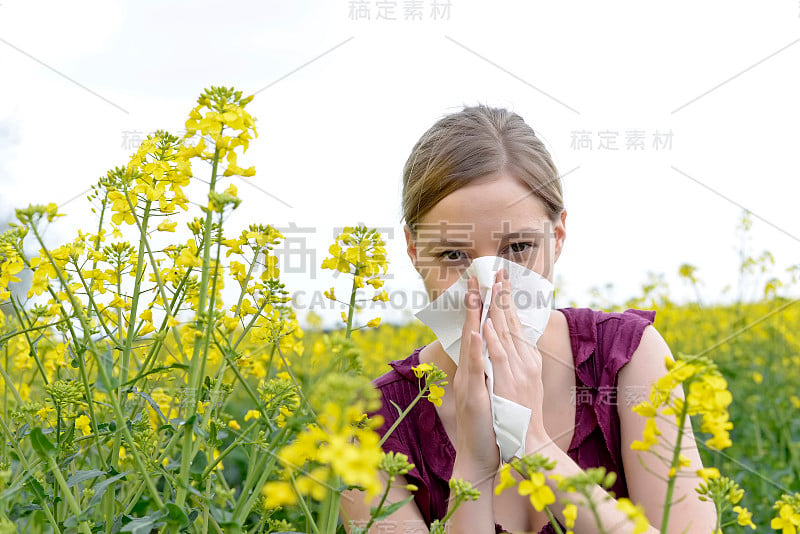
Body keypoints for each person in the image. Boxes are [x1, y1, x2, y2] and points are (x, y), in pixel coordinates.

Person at [340, 104, 717, 533]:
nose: (487, 285)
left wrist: (534, 444)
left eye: (518, 247)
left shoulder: (629, 358)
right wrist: (474, 467)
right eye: (452, 255)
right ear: (413, 251)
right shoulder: (371, 423)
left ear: (556, 237)